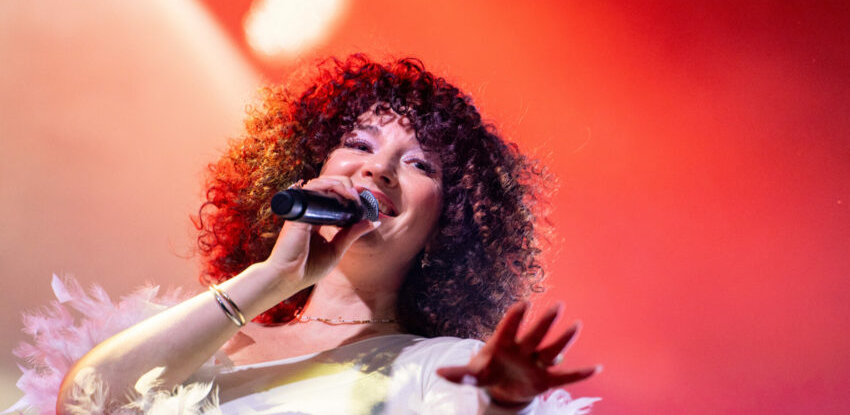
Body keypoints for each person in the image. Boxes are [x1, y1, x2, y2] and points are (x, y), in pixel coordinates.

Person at [34, 54, 599, 413]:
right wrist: (275, 277)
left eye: (419, 164)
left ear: (446, 228)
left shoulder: (444, 363)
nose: (377, 169)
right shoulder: (208, 340)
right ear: (310, 170)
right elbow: (86, 404)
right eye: (360, 144)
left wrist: (499, 406)